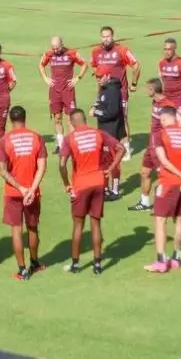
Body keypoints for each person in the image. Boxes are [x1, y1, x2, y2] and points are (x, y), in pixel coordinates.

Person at [58, 109, 125, 275]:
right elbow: (121, 148)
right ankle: (97, 264)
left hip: (80, 184)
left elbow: (62, 164)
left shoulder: (70, 138)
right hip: (98, 182)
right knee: (95, 224)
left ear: (72, 122)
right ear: (85, 119)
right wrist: (111, 167)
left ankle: (75, 264)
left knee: (78, 225)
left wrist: (66, 184)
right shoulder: (98, 133)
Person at [145, 106, 181, 273]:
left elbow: (164, 161)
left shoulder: (160, 135)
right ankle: (177, 258)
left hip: (167, 183)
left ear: (164, 119)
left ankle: (161, 261)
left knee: (160, 221)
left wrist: (180, 175)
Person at [0, 105, 47, 281]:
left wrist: (20, 188)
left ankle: (22, 270)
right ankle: (35, 263)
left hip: (13, 192)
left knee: (16, 230)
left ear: (10, 120)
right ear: (25, 118)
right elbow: (42, 167)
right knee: (33, 228)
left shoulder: (4, 140)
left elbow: (2, 171)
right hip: (32, 193)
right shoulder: (36, 137)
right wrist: (31, 189)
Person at [128, 78, 181, 212]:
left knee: (163, 174)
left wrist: (166, 138)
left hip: (159, 146)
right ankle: (145, 203)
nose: (146, 91)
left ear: (152, 90)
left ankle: (175, 201)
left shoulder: (167, 105)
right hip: (151, 145)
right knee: (145, 172)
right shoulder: (155, 102)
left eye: (147, 88)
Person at [91, 26, 141, 161]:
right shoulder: (96, 52)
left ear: (113, 37)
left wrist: (134, 84)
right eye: (103, 36)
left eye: (108, 36)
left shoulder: (122, 50)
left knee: (122, 118)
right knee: (104, 119)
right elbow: (95, 69)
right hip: (104, 92)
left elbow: (136, 65)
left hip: (120, 92)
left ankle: (126, 148)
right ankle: (109, 148)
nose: (106, 39)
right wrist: (99, 87)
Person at [39, 36, 87, 152]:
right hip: (55, 91)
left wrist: (78, 78)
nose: (55, 50)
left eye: (57, 48)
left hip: (68, 91)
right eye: (53, 48)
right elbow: (41, 65)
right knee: (57, 118)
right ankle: (60, 145)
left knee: (71, 118)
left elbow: (85, 64)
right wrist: (45, 78)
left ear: (62, 44)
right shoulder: (49, 54)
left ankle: (71, 144)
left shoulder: (71, 53)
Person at [91, 68, 125, 200]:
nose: (98, 79)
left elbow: (112, 112)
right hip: (104, 130)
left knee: (113, 161)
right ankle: (105, 188)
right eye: (96, 77)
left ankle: (115, 190)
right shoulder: (105, 88)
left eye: (100, 77)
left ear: (108, 75)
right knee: (104, 161)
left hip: (111, 131)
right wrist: (95, 106)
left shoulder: (113, 91)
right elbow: (101, 102)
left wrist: (96, 112)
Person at [158, 38, 181, 119]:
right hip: (166, 98)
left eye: (169, 49)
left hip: (178, 99)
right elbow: (162, 79)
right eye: (165, 49)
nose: (166, 52)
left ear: (174, 49)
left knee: (179, 122)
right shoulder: (161, 63)